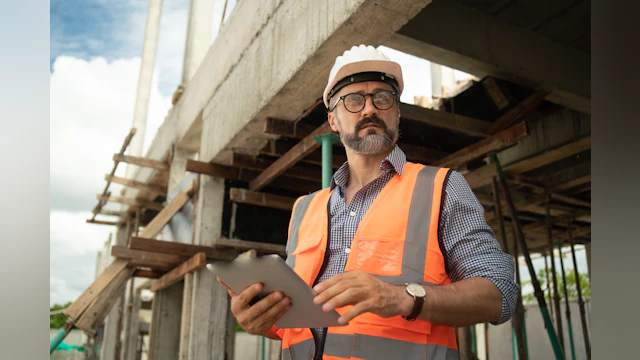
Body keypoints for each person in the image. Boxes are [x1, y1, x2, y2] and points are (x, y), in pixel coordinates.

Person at [219, 45, 519, 360]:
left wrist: (402, 297)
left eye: (382, 97)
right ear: (333, 120)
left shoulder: (442, 187)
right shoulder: (305, 209)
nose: (369, 109)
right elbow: (301, 327)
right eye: (353, 100)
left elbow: (499, 293)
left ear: (397, 112)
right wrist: (263, 320)